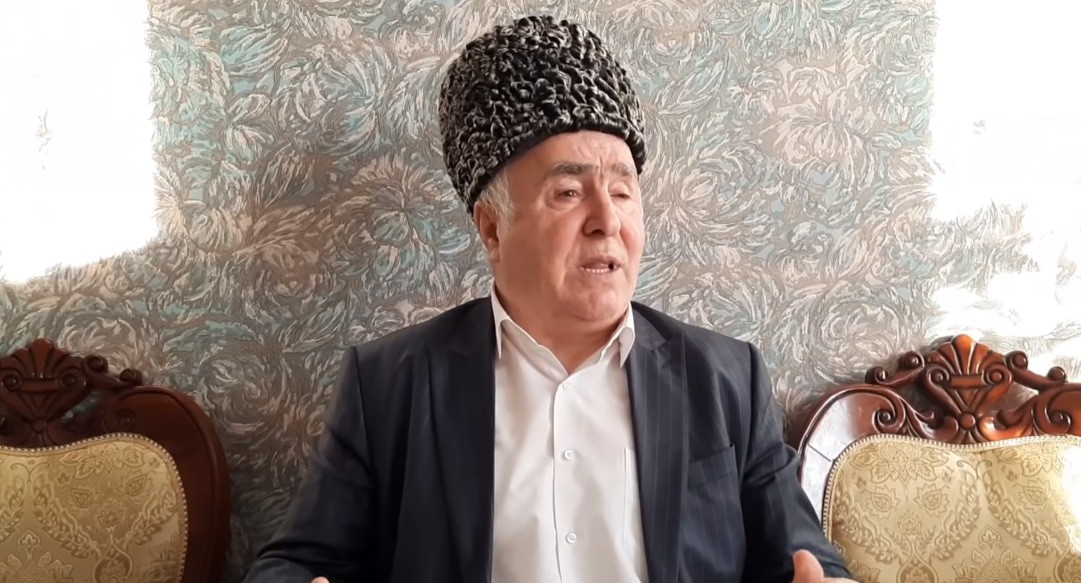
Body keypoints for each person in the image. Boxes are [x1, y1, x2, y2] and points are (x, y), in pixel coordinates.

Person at [243, 15, 858, 583]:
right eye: (568, 192)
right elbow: (293, 563)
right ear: (492, 229)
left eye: (623, 191)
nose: (607, 221)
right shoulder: (389, 386)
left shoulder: (726, 379)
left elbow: (808, 562)